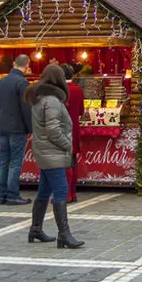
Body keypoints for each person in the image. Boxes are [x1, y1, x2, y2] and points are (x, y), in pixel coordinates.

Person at [24, 64, 84, 248]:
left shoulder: (40, 97)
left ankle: (36, 229)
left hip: (45, 150)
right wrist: (67, 145)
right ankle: (64, 234)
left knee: (44, 190)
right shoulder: (52, 100)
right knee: (60, 191)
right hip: (53, 152)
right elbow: (53, 129)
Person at [0, 54, 33, 206]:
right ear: (27, 65)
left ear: (14, 63)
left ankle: (1, 194)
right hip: (17, 128)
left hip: (3, 126)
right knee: (15, 162)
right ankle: (12, 195)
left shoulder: (1, 82)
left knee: (3, 160)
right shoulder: (22, 83)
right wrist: (30, 128)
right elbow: (26, 108)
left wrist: (0, 120)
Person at [62, 65, 85, 204]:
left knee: (64, 164)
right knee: (73, 161)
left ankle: (66, 194)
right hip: (74, 129)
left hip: (62, 130)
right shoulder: (78, 90)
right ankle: (73, 192)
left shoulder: (59, 91)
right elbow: (81, 111)